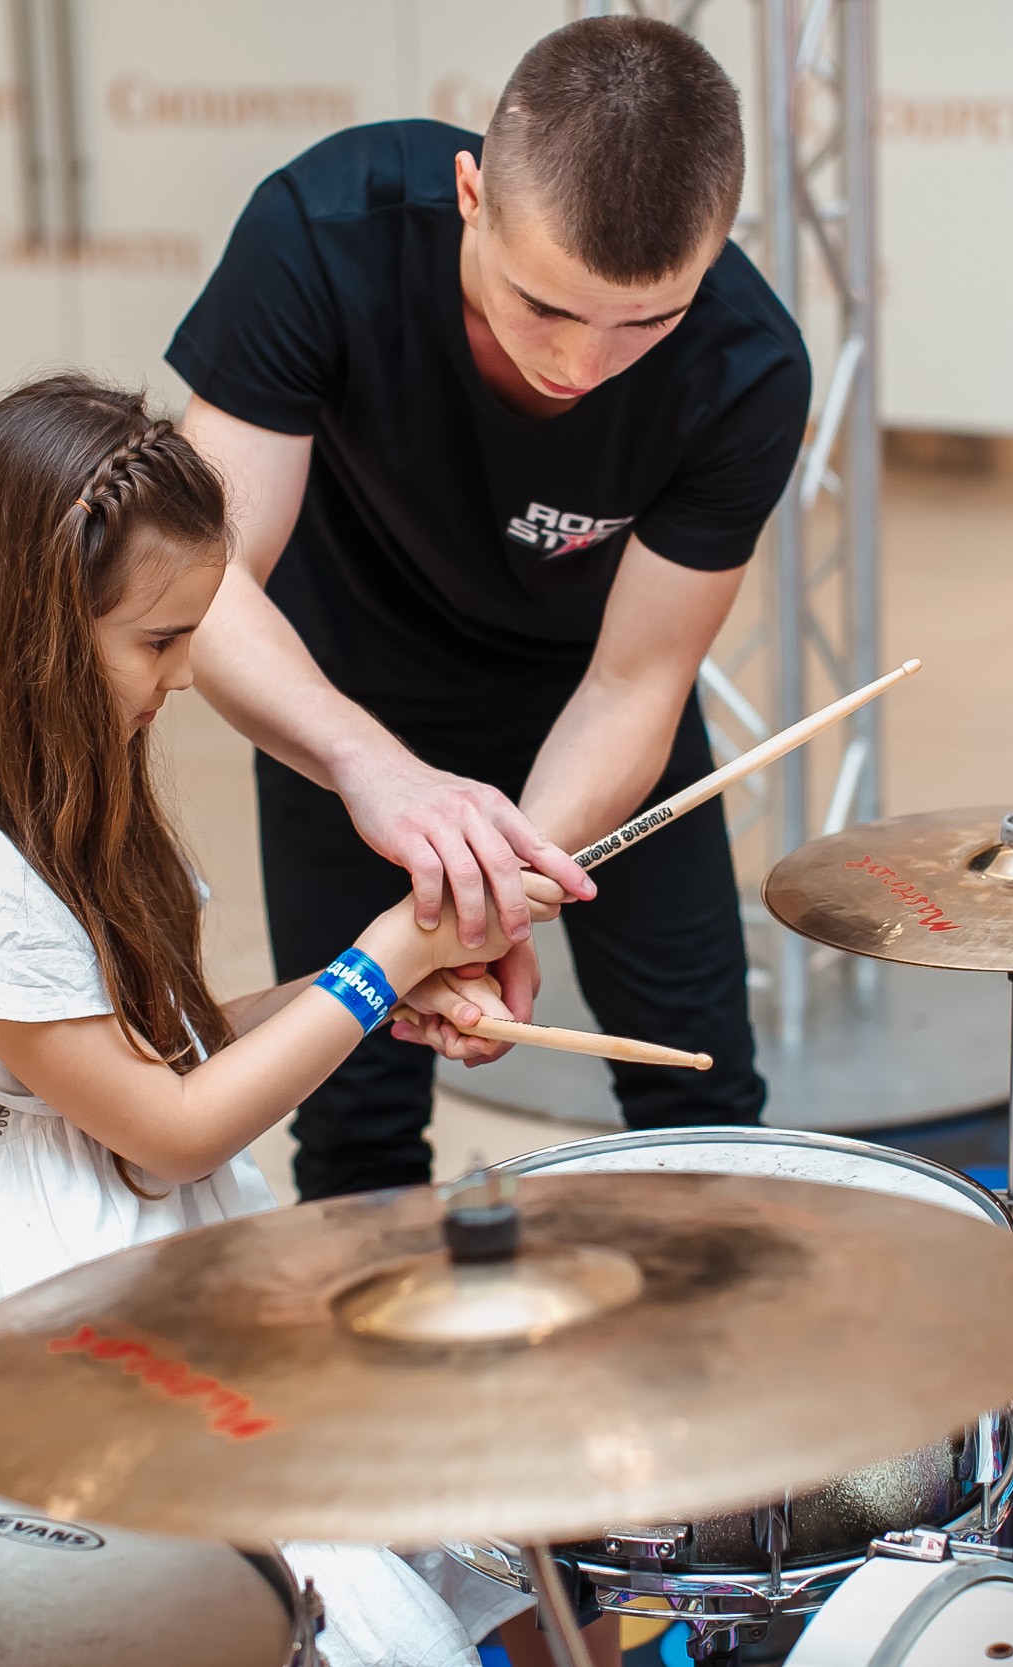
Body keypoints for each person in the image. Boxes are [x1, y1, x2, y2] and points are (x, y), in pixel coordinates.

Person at [0, 375, 546, 1665]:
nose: (184, 675)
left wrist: (355, 999)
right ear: (32, 627)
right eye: (159, 641)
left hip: (124, 1261)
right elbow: (169, 1127)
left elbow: (148, 1051)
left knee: (480, 1503)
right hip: (18, 1322)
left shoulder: (60, 786)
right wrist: (383, 954)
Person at [171, 17, 810, 1201]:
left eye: (646, 322)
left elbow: (636, 680)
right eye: (544, 307)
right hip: (338, 693)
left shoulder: (745, 366)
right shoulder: (324, 232)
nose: (582, 365)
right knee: (355, 1119)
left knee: (702, 1098)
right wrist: (371, 767)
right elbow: (204, 584)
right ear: (471, 195)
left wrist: (496, 893)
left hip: (587, 708)